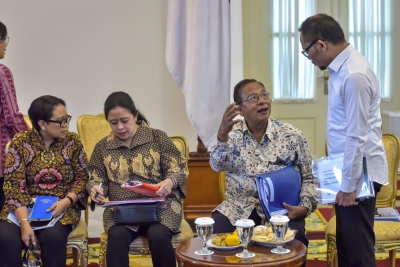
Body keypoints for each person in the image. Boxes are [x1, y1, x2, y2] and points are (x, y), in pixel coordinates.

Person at [298, 14, 388, 267]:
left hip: (360, 176)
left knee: (358, 254)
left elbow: (356, 136)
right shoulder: (341, 69)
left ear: (321, 45)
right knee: (348, 248)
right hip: (350, 171)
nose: (310, 59)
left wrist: (348, 186)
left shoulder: (353, 74)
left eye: (307, 52)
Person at [210, 79, 317, 267]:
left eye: (264, 95)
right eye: (253, 98)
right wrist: (221, 136)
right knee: (218, 237)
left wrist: (305, 207)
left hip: (282, 210)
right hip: (239, 208)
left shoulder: (292, 135)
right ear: (240, 110)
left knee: (295, 241)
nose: (262, 101)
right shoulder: (231, 136)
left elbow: (309, 177)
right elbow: (216, 165)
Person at [87, 91, 188, 267]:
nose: (119, 127)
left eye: (124, 121)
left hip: (161, 208)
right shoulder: (103, 146)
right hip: (123, 212)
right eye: (113, 122)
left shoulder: (157, 138)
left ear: (135, 115)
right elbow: (96, 177)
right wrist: (96, 189)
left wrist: (169, 181)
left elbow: (178, 167)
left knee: (158, 236)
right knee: (116, 238)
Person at [0, 95, 89, 267]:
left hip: (61, 207)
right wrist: (24, 223)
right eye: (61, 121)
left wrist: (67, 200)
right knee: (5, 237)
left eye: (67, 119)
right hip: (23, 208)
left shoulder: (73, 141)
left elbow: (82, 178)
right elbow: (13, 186)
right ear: (42, 124)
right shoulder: (19, 143)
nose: (66, 125)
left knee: (53, 237)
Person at [0, 21, 30, 210]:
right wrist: (32, 136)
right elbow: (12, 117)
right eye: (4, 39)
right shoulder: (2, 72)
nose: (6, 45)